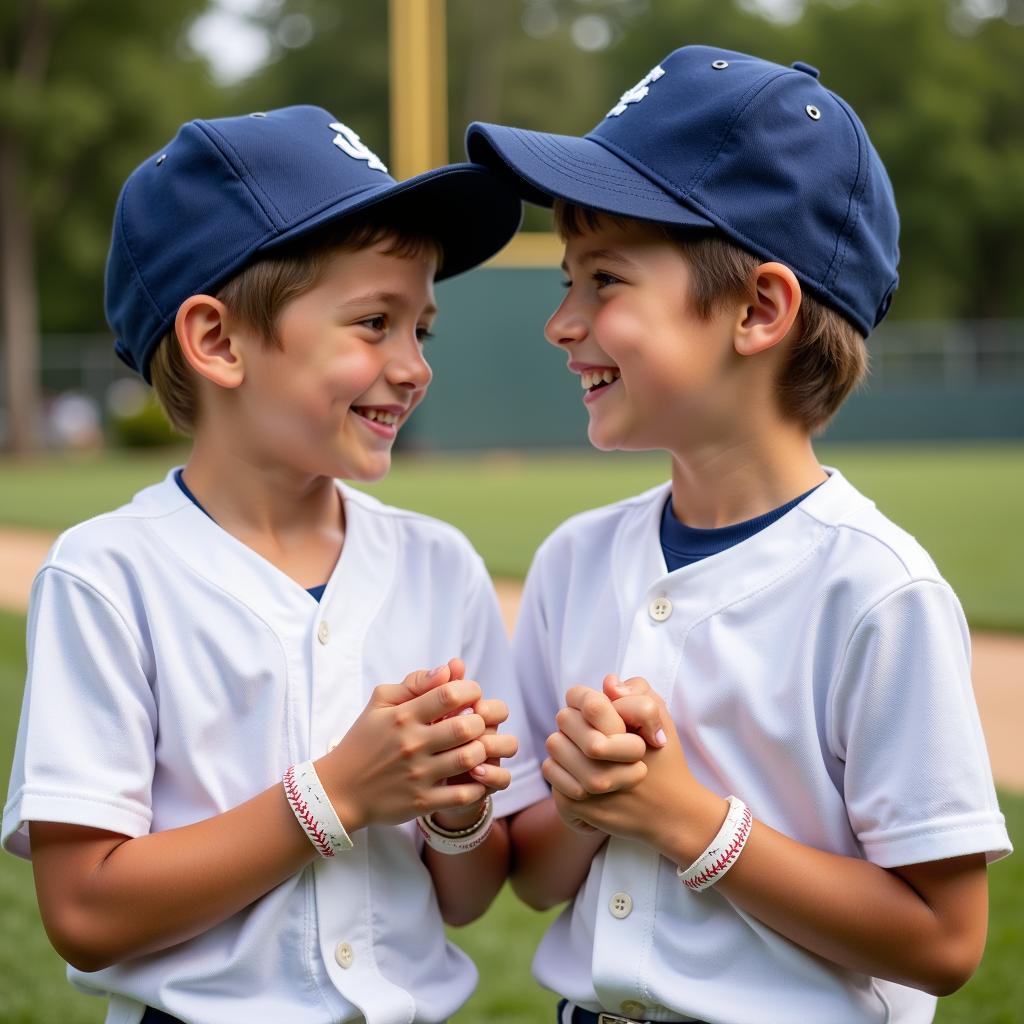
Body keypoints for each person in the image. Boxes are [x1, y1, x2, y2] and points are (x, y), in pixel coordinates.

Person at [466, 46, 1012, 1024]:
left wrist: (682, 817)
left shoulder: (874, 589)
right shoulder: (573, 561)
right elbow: (539, 879)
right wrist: (589, 800)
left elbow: (942, 940)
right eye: (566, 280)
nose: (561, 322)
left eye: (604, 281)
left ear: (758, 309)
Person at [2, 105, 546, 1024]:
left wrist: (456, 816)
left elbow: (464, 898)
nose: (412, 366)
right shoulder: (110, 574)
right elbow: (86, 913)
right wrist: (339, 793)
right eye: (374, 321)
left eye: (424, 330)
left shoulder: (439, 566)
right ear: (217, 341)